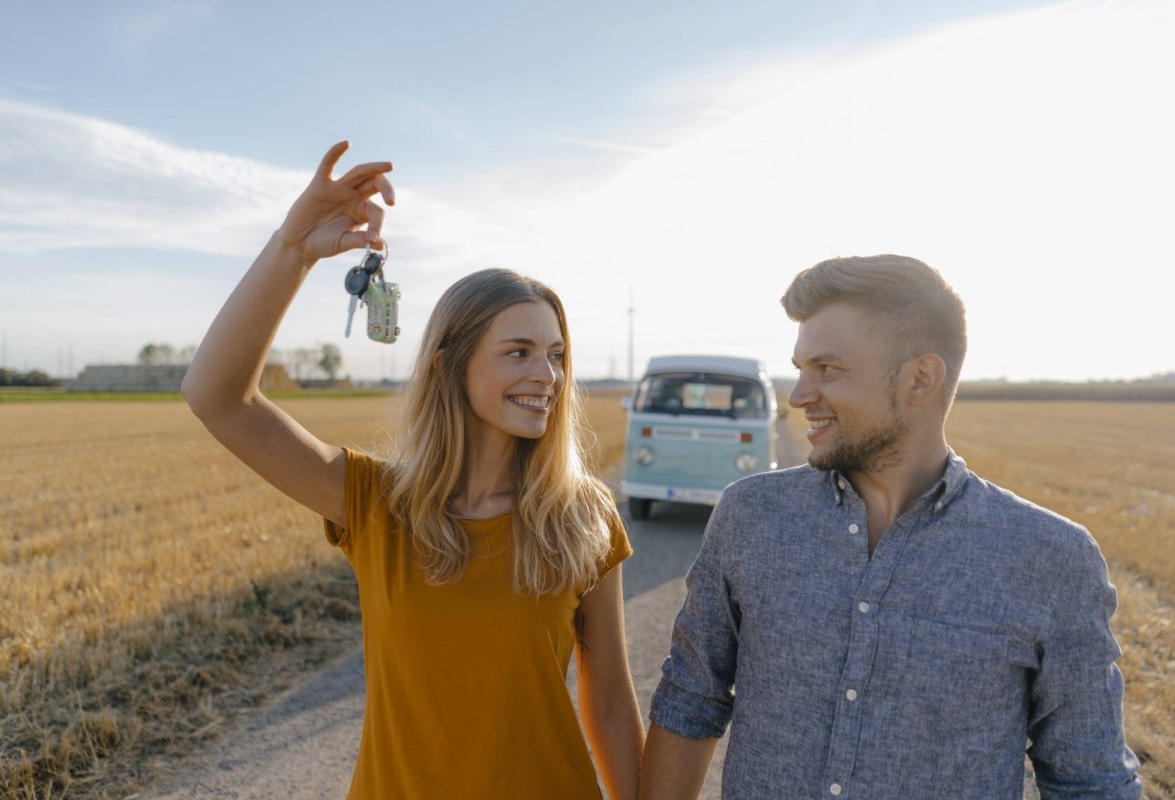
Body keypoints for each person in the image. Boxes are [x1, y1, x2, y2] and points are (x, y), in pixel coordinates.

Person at [182, 142, 644, 799]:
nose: (547, 376)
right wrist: (293, 248)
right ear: (448, 365)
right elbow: (217, 398)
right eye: (518, 352)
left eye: (556, 354)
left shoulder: (582, 514)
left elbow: (612, 705)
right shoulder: (375, 503)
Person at [638, 255, 1142, 799]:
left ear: (919, 379)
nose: (799, 396)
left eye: (826, 369)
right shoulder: (749, 516)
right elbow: (691, 699)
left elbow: (1091, 781)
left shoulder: (1051, 558)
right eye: (801, 367)